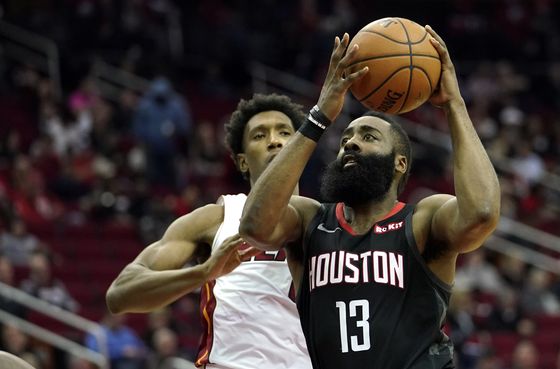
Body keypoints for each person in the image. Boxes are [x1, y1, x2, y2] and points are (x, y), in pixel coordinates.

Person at [239, 27, 501, 369]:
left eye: (368, 136)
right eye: (346, 136)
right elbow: (254, 225)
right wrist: (319, 116)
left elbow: (481, 212)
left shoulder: (421, 221)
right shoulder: (310, 221)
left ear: (400, 163)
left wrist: (454, 104)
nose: (350, 142)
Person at [106, 93, 311, 369]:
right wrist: (204, 273)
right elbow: (120, 294)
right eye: (259, 135)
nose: (274, 140)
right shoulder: (218, 218)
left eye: (284, 132)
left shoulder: (328, 223)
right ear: (242, 162)